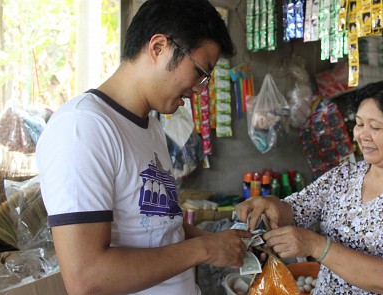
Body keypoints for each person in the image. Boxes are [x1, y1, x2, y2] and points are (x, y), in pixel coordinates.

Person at [36, 0, 252, 294]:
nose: (200, 90)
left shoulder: (150, 128)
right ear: (159, 47)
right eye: (200, 72)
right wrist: (203, 249)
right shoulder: (82, 127)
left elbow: (160, 226)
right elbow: (87, 279)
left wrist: (220, 243)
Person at [236, 80, 383, 294]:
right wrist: (271, 205)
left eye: (375, 127)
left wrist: (317, 246)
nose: (362, 136)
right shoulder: (344, 175)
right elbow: (296, 211)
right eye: (359, 124)